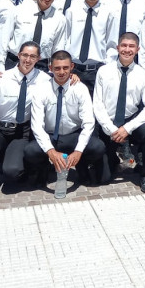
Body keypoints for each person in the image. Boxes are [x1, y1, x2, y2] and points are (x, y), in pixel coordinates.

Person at [0, 40, 50, 192]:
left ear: (38, 59)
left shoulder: (44, 80)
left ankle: (10, 163)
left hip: (21, 132)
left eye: (32, 56)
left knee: (12, 172)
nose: (27, 60)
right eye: (24, 55)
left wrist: (73, 79)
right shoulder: (2, 79)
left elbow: (62, 80)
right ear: (18, 55)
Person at [24, 50, 105, 187]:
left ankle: (81, 165)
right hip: (51, 136)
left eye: (65, 68)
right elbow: (37, 126)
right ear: (50, 68)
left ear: (72, 67)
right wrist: (51, 152)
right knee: (30, 151)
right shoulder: (41, 90)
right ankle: (45, 168)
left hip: (74, 135)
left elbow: (89, 123)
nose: (61, 72)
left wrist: (78, 151)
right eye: (57, 68)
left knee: (98, 147)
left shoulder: (80, 89)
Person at [92, 32, 145, 193]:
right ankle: (112, 160)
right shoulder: (103, 71)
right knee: (103, 178)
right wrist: (112, 129)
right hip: (108, 122)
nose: (127, 50)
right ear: (117, 47)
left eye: (131, 46)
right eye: (124, 46)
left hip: (130, 121)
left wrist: (127, 129)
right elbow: (97, 105)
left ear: (138, 49)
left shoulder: (142, 74)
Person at [0, 0, 67, 74]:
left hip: (41, 67)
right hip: (14, 63)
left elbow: (58, 48)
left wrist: (54, 71)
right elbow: (4, 39)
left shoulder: (60, 19)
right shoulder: (19, 11)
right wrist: (0, 66)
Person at [65, 0, 119, 93]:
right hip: (74, 70)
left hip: (97, 69)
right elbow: (65, 39)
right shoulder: (72, 11)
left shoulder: (108, 13)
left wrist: (107, 69)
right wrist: (68, 68)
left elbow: (112, 43)